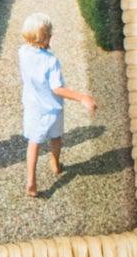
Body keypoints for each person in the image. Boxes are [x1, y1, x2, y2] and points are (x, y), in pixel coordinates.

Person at [18, 15, 95, 195]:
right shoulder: (51, 61)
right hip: (52, 108)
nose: (51, 37)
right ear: (45, 38)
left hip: (32, 108)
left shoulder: (22, 52)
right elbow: (57, 88)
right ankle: (55, 164)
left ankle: (31, 181)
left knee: (34, 143)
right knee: (56, 137)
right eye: (49, 35)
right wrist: (82, 97)